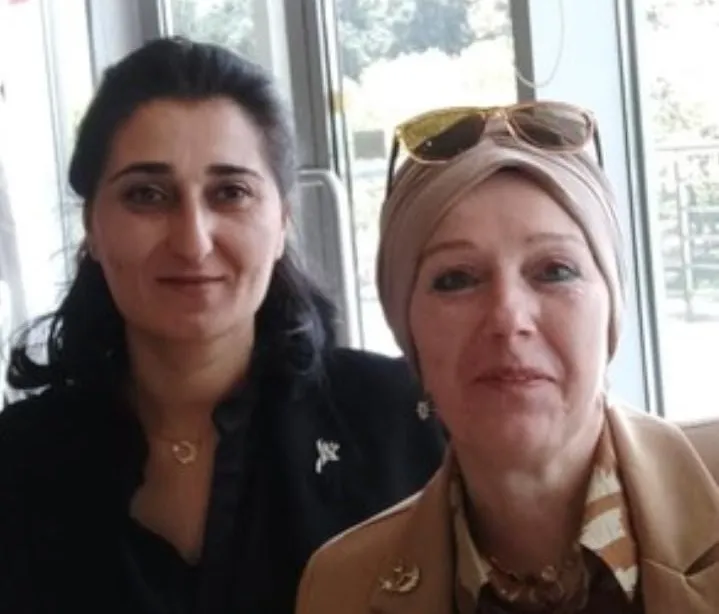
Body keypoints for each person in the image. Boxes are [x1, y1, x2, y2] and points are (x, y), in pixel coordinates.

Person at [0, 37, 445, 613]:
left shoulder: (404, 424)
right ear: (93, 227)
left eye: (230, 193)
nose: (193, 242)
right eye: (146, 195)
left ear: (282, 222)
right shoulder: (19, 464)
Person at [296, 102, 719, 614]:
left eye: (555, 271)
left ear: (611, 311)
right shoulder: (342, 589)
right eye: (456, 279)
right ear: (408, 332)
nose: (507, 317)